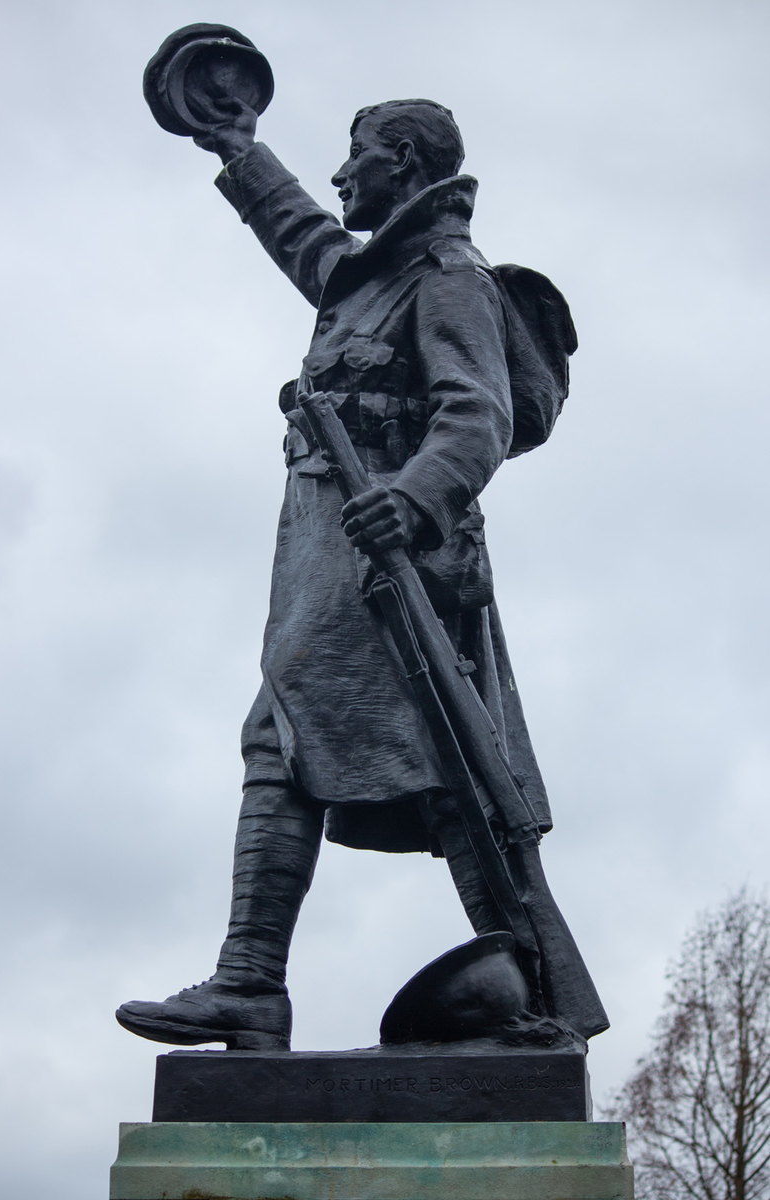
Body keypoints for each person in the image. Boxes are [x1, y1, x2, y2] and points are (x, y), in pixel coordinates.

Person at [117, 97, 585, 1051]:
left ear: (403, 163)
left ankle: (525, 995)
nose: (340, 177)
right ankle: (253, 984)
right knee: (313, 742)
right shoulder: (370, 277)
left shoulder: (448, 278)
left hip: (393, 551)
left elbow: (478, 415)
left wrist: (413, 501)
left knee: (439, 760)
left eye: (357, 156)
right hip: (331, 546)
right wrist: (238, 147)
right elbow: (304, 239)